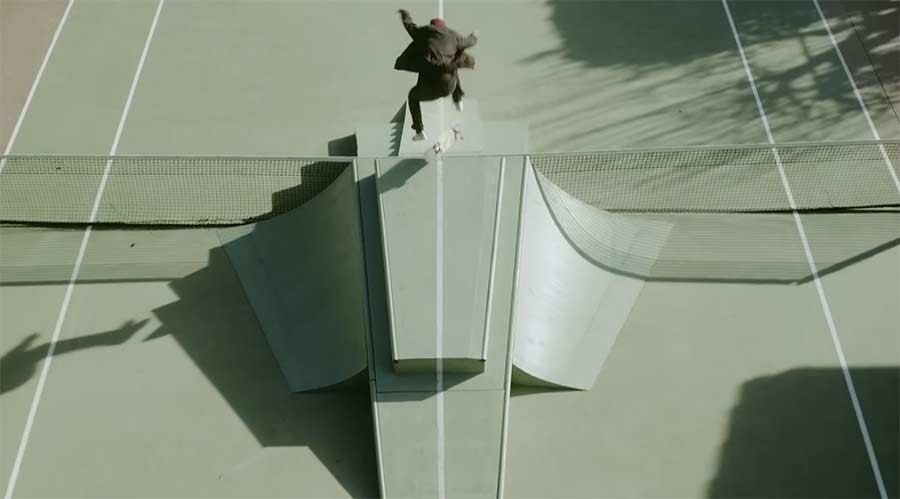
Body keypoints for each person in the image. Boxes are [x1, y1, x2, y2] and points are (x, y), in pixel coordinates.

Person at [394, 10, 477, 141]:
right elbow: (467, 42)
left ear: (432, 27)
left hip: (429, 86)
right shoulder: (453, 35)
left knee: (413, 96)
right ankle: (458, 99)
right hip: (449, 85)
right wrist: (474, 37)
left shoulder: (426, 32)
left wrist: (405, 14)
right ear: (444, 27)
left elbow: (410, 27)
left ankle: (419, 131)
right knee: (452, 64)